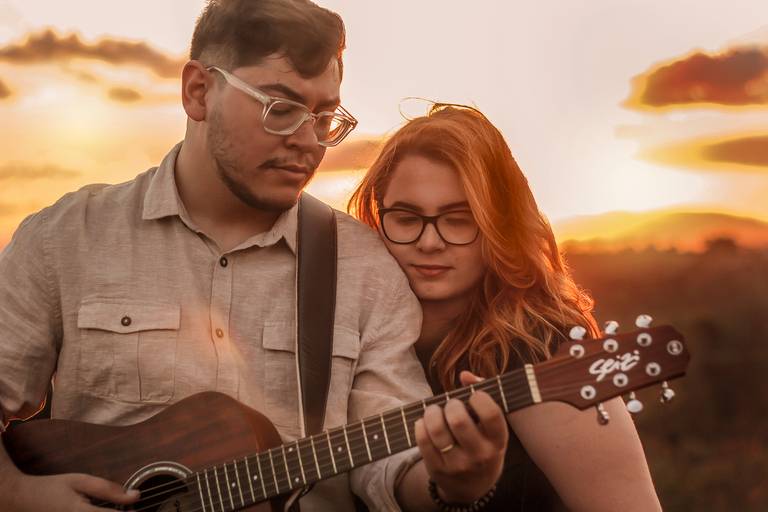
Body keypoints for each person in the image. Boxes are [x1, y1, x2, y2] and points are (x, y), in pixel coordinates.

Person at [0, 2, 507, 511]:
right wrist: (18, 493)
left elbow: (393, 463)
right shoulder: (66, 237)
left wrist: (454, 483)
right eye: (281, 109)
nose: (308, 142)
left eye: (325, 117)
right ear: (198, 91)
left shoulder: (365, 269)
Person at [349, 103, 663, 511]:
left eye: (458, 218)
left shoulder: (541, 349)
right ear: (378, 216)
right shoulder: (358, 343)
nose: (429, 242)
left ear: (498, 224)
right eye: (407, 218)